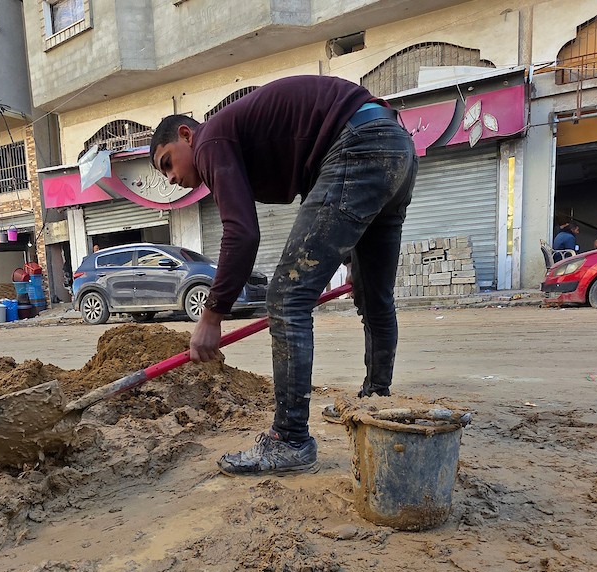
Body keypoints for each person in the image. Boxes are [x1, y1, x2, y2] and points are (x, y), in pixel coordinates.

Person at [150, 75, 418, 476]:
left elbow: (241, 234)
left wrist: (212, 315)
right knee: (373, 294)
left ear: (186, 135)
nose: (170, 178)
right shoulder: (231, 139)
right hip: (395, 146)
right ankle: (375, 401)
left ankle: (289, 440)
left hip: (358, 146)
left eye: (167, 162)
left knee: (285, 298)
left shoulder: (210, 141)